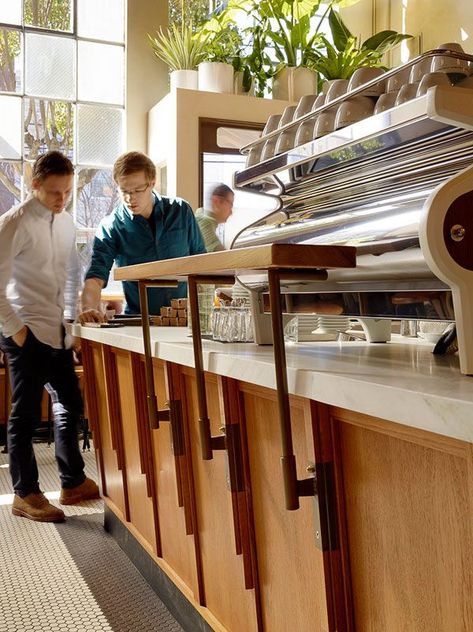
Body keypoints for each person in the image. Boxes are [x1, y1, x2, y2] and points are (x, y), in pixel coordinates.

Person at [0, 151, 99, 523]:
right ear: (36, 184)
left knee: (68, 404)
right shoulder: (13, 223)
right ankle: (25, 494)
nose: (62, 199)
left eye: (68, 191)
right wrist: (17, 331)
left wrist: (72, 322)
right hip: (25, 330)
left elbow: (72, 272)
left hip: (58, 330)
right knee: (24, 416)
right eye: (55, 192)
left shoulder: (68, 222)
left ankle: (72, 481)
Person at [80, 151, 206, 323]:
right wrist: (88, 309)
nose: (130, 198)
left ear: (152, 182)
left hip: (184, 321)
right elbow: (95, 278)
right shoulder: (112, 226)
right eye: (124, 191)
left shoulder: (181, 211)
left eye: (138, 190)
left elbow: (202, 263)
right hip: (139, 323)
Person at [195, 183, 234, 252]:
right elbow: (221, 256)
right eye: (230, 205)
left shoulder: (201, 215)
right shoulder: (204, 222)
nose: (231, 212)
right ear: (216, 201)